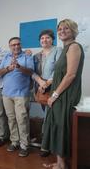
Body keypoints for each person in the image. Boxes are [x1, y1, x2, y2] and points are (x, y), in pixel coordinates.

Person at [42, 19, 84, 169]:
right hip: (60, 93)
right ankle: (60, 163)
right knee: (58, 126)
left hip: (66, 94)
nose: (62, 31)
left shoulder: (74, 47)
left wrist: (54, 95)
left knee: (61, 126)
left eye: (66, 28)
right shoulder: (65, 48)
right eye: (60, 29)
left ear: (73, 30)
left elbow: (71, 75)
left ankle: (62, 165)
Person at [0, 37, 34, 157]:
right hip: (7, 93)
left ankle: (24, 145)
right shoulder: (6, 57)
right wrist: (8, 68)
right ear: (10, 46)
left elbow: (30, 72)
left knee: (22, 120)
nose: (16, 47)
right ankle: (14, 142)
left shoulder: (27, 56)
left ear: (21, 45)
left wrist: (18, 66)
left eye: (18, 44)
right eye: (13, 45)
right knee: (11, 119)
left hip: (21, 94)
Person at [32, 30, 62, 157]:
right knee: (46, 116)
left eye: (47, 38)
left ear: (52, 39)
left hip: (53, 88)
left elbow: (59, 70)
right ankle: (46, 142)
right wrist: (40, 82)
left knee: (51, 117)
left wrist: (47, 83)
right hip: (40, 90)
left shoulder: (58, 50)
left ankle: (47, 146)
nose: (45, 40)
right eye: (42, 38)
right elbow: (32, 72)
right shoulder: (36, 56)